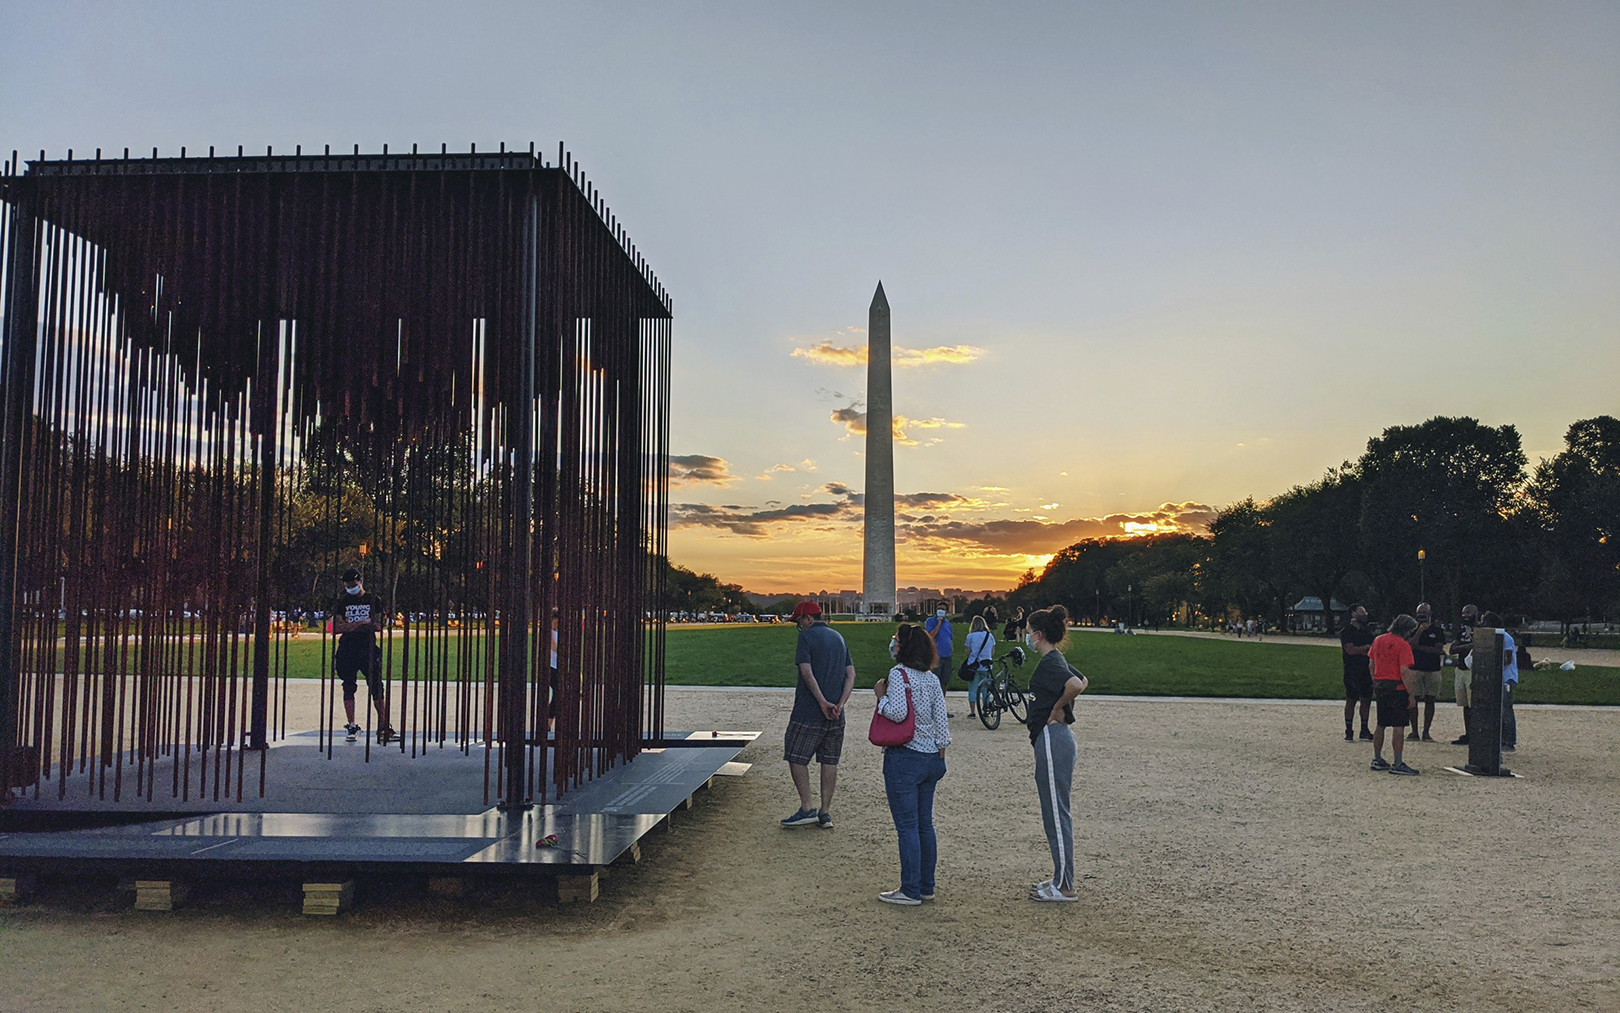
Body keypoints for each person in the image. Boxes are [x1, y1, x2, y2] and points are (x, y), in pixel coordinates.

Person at [872, 624, 951, 905]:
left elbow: (896, 712)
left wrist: (880, 697)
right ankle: (926, 885)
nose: (893, 644)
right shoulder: (930, 678)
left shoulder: (899, 674)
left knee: (906, 826)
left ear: (904, 646)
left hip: (905, 755)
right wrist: (941, 751)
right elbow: (941, 719)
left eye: (895, 640)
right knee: (924, 824)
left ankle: (909, 889)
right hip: (931, 756)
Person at [1022, 604, 1088, 902]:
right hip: (1054, 739)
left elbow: (1075, 684)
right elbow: (1082, 680)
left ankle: (1064, 886)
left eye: (1027, 633)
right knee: (1056, 813)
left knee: (1056, 814)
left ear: (1038, 634)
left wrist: (1058, 707)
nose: (1026, 638)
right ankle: (1061, 877)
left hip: (1052, 738)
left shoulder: (1050, 662)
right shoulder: (1055, 659)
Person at [780, 600, 855, 829]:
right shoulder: (838, 638)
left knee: (796, 755)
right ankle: (825, 812)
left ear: (809, 619)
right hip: (836, 713)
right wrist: (839, 704)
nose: (799, 626)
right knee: (829, 760)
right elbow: (850, 674)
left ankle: (807, 807)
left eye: (799, 621)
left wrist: (822, 702)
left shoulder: (806, 637)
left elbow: (806, 672)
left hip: (809, 710)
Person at [333, 568, 393, 744]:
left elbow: (378, 625)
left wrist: (351, 625)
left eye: (352, 583)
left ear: (360, 581)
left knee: (376, 685)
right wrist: (363, 623)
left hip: (367, 648)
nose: (350, 587)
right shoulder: (341, 601)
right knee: (348, 686)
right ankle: (351, 724)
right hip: (347, 649)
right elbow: (335, 627)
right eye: (347, 584)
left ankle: (383, 725)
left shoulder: (373, 600)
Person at [1369, 614, 1421, 775]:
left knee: (1381, 723)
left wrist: (1375, 681)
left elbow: (1371, 663)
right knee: (1398, 726)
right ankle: (1398, 763)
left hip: (1380, 684)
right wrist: (1411, 694)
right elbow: (1405, 671)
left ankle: (1377, 758)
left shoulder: (1378, 640)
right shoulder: (1403, 645)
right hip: (1397, 687)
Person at [1480, 612, 1518, 752]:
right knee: (1497, 710)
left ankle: (1509, 741)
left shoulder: (1505, 637)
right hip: (1497, 678)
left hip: (1506, 678)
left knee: (1506, 709)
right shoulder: (1492, 637)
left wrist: (1493, 667)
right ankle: (1499, 739)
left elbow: (1507, 659)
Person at [1407, 603, 1445, 742]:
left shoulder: (1438, 630)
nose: (1422, 615)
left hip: (1433, 669)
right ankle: (1414, 731)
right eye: (1420, 612)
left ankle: (1426, 731)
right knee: (1413, 700)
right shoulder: (1412, 629)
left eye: (1425, 612)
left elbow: (1438, 650)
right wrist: (1419, 632)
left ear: (1430, 613)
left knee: (1430, 699)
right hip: (1415, 668)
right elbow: (1409, 646)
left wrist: (1419, 647)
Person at [1339, 604, 1375, 742]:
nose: (1364, 614)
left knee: (1366, 700)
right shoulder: (1347, 631)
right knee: (1351, 699)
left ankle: (1364, 729)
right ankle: (1349, 730)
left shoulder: (1367, 632)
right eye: (1362, 612)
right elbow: (1350, 650)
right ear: (1353, 614)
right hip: (1352, 670)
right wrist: (1364, 648)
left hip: (1366, 670)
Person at [1449, 604, 1479, 745]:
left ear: (1475, 613)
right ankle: (1468, 733)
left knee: (1475, 704)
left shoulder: (1480, 630)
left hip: (1473, 670)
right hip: (1461, 669)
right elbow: (1452, 649)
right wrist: (1467, 646)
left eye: (1468, 612)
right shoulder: (1461, 631)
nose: (1465, 615)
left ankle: (1477, 733)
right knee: (1465, 704)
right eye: (1463, 612)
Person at [962, 616, 996, 719]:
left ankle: (972, 711)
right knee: (986, 688)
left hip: (974, 665)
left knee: (973, 688)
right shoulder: (989, 636)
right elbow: (993, 651)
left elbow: (968, 651)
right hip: (987, 665)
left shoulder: (970, 636)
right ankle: (985, 709)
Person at [922, 607, 954, 714]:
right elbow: (930, 636)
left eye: (944, 609)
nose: (941, 610)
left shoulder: (948, 623)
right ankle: (932, 707)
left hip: (947, 656)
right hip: (937, 656)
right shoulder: (930, 621)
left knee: (945, 682)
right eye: (939, 608)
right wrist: (939, 624)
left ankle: (941, 707)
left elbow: (950, 637)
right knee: (934, 682)